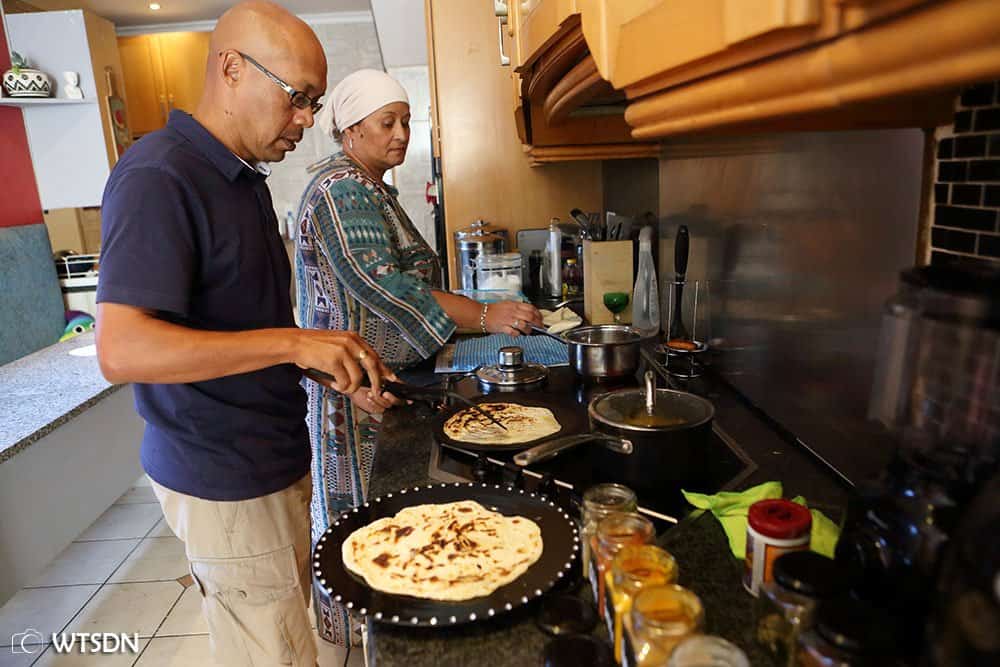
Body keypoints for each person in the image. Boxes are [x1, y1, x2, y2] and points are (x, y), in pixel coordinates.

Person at [94, 3, 393, 665]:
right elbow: (122, 347)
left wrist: (325, 365)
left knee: (282, 633)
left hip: (270, 455)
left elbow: (238, 328)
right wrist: (294, 343)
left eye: (313, 102)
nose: (307, 120)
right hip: (224, 473)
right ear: (232, 68)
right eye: (298, 97)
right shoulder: (159, 176)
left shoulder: (241, 176)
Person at [295, 68, 543, 649]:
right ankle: (369, 639)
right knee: (363, 529)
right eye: (388, 122)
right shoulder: (342, 191)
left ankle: (379, 630)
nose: (402, 133)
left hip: (380, 380)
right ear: (351, 129)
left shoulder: (370, 187)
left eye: (406, 121)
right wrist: (486, 315)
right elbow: (388, 285)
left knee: (383, 533)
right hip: (353, 390)